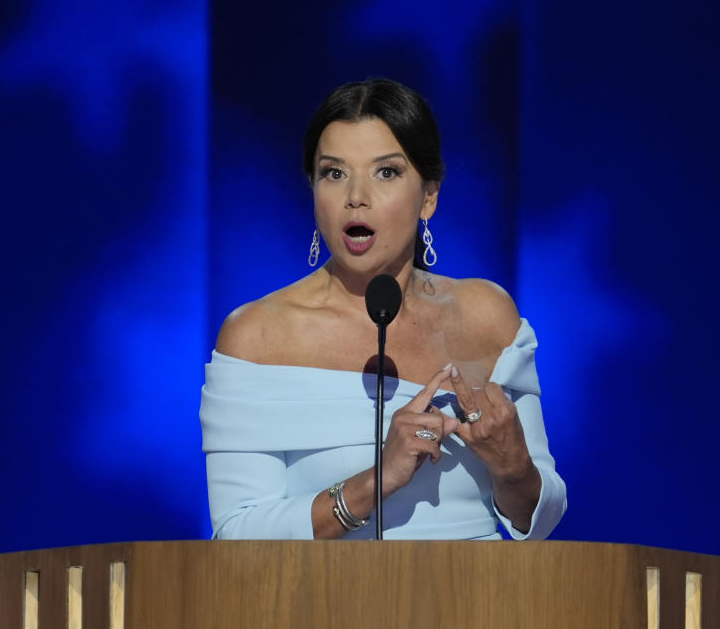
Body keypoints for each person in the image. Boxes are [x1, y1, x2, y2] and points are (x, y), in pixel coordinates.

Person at [199, 78, 566, 540]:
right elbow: (236, 536)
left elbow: (541, 514)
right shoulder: (256, 336)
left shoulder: (487, 315)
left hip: (480, 604)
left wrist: (514, 470)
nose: (356, 196)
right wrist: (375, 482)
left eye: (386, 172)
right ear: (313, 191)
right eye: (334, 173)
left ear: (429, 196)